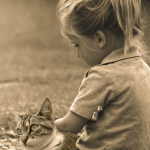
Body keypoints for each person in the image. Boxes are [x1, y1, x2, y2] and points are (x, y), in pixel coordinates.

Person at [55, 0, 150, 149]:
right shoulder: (144, 70)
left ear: (99, 39)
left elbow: (69, 125)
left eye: (77, 45)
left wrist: (40, 126)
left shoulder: (103, 75)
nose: (78, 54)